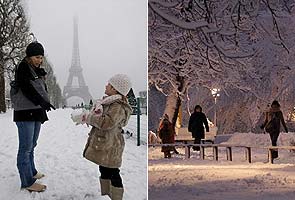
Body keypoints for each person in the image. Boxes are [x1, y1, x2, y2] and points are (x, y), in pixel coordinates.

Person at [72, 74, 132, 200]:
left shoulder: (118, 106)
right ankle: (106, 195)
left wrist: (87, 117)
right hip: (106, 143)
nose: (106, 85)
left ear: (115, 89)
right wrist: (86, 118)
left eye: (109, 84)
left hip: (112, 145)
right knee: (104, 168)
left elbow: (107, 122)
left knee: (113, 171)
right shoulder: (108, 102)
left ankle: (116, 197)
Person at [11, 42, 55, 192]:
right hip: (25, 113)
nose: (40, 60)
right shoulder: (23, 67)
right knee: (25, 148)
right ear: (29, 56)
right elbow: (26, 88)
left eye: (41, 57)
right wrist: (42, 101)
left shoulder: (36, 70)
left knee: (32, 144)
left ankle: (32, 172)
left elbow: (41, 90)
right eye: (37, 57)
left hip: (35, 112)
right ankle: (27, 182)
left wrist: (45, 103)